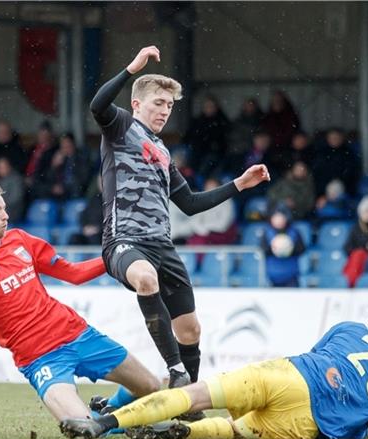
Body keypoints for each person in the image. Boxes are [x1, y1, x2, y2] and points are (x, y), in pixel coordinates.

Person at [89, 45, 269, 395]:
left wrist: (239, 184)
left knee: (190, 330)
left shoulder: (163, 151)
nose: (165, 111)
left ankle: (188, 401)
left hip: (162, 246)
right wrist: (131, 68)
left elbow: (188, 203)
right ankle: (175, 369)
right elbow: (97, 105)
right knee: (144, 276)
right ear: (137, 104)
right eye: (158, 102)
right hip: (123, 241)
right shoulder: (121, 125)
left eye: (170, 106)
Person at [60, 301, 368, 439]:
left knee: (194, 394)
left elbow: (318, 355)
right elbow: (362, 423)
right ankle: (180, 432)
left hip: (293, 376)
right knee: (233, 430)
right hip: (310, 422)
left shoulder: (351, 327)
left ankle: (105, 423)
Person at [0, 181, 161, 422]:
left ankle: (110, 407)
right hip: (40, 358)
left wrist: (116, 258)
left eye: (4, 208)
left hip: (77, 334)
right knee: (81, 425)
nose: (6, 215)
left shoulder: (20, 239)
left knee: (151, 387)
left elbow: (73, 273)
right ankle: (111, 423)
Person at [261, 204, 306, 287]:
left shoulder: (294, 232)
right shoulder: (267, 232)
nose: (278, 220)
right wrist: (274, 248)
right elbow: (263, 250)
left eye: (281, 217)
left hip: (291, 275)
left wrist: (288, 248)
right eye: (276, 217)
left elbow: (302, 249)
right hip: (272, 276)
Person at [342, 196, 368, 287]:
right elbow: (347, 247)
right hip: (358, 258)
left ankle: (354, 282)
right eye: (365, 212)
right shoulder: (355, 228)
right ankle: (352, 280)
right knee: (357, 255)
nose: (367, 214)